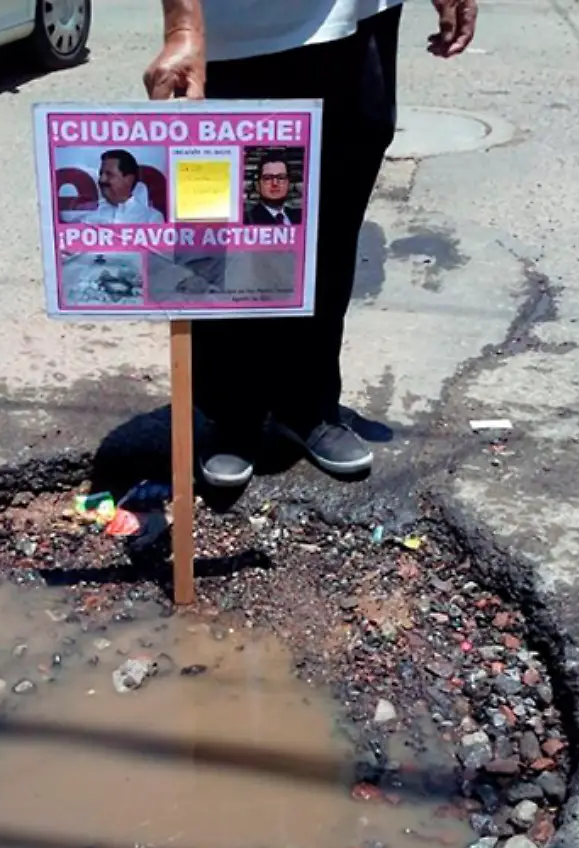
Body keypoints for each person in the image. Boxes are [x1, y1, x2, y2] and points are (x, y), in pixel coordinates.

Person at [145, 0, 477, 487]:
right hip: (242, 34)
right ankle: (233, 412)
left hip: (363, 19)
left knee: (332, 222)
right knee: (229, 231)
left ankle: (308, 402)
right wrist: (182, 25)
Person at [77, 149, 166, 224]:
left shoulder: (151, 218)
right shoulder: (87, 215)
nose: (101, 179)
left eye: (109, 174)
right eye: (101, 174)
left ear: (129, 179)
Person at [245, 151, 301, 226]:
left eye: (281, 178)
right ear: (258, 185)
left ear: (289, 184)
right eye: (268, 178)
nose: (275, 183)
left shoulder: (299, 217)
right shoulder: (247, 220)